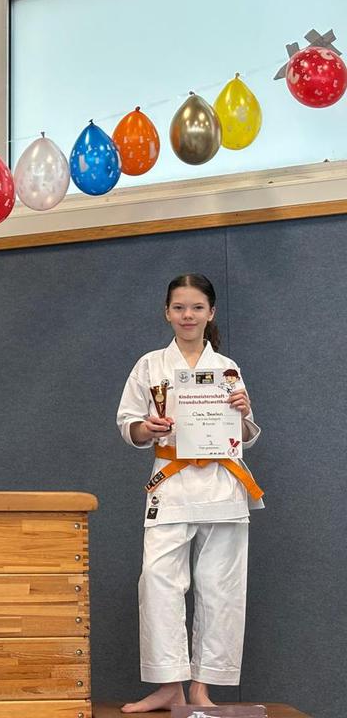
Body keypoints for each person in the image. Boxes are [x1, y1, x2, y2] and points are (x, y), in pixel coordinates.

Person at [116, 273, 263, 712]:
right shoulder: (149, 365)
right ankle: (169, 685)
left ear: (210, 313)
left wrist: (242, 412)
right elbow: (128, 424)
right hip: (172, 482)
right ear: (167, 312)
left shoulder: (227, 368)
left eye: (197, 307)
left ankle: (202, 687)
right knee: (157, 582)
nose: (188, 315)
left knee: (221, 587)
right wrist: (147, 428)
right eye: (179, 307)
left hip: (222, 484)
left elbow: (243, 435)